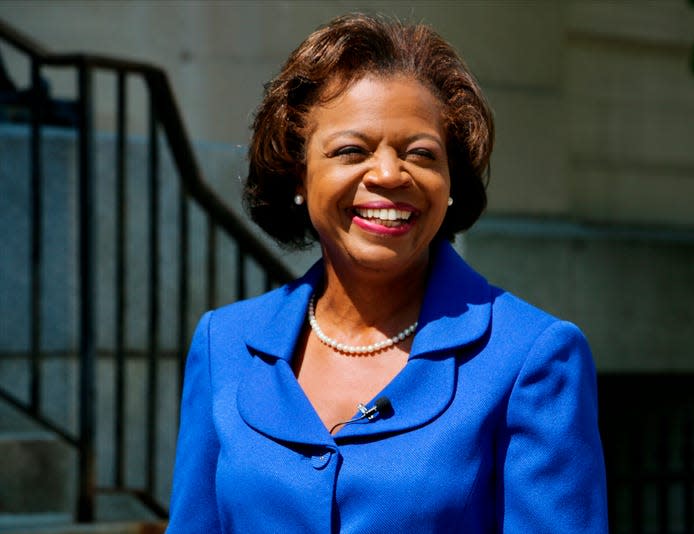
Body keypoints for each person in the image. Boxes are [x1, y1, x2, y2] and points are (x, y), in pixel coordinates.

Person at [167, 13, 608, 533]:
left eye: (421, 154)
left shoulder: (533, 357)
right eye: (352, 150)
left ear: (450, 183)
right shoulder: (225, 345)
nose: (388, 175)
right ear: (297, 173)